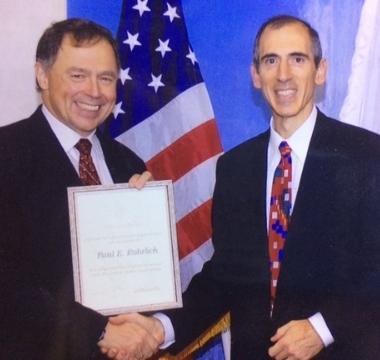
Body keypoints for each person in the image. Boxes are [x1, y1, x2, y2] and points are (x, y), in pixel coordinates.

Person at [102, 14, 380, 360]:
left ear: (320, 71)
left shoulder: (368, 155)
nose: (283, 75)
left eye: (297, 59)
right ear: (255, 75)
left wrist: (322, 329)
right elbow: (224, 276)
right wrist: (160, 328)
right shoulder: (235, 167)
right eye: (270, 60)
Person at [0, 18, 163, 360]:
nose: (94, 91)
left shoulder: (129, 165)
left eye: (106, 78)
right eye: (77, 75)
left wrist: (147, 218)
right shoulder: (7, 154)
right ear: (42, 76)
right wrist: (100, 330)